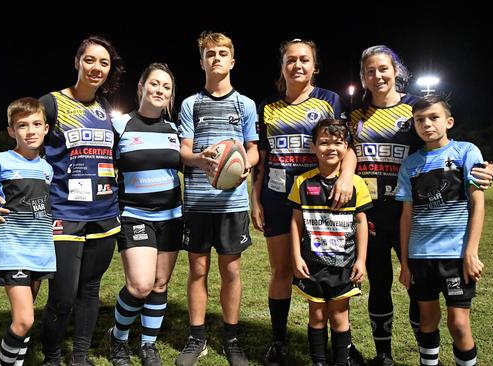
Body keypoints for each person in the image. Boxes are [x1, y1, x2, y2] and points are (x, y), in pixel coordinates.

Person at [346, 45, 493, 366]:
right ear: (363, 77)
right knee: (380, 283)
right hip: (370, 213)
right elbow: (346, 154)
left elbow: (442, 147)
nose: (377, 75)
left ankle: (425, 350)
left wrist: (485, 168)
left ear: (396, 71)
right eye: (370, 71)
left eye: (383, 68)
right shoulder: (354, 116)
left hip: (410, 215)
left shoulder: (415, 108)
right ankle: (383, 354)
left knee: (417, 288)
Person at [0, 35, 125, 366]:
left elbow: (119, 154)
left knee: (90, 291)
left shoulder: (107, 109)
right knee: (62, 297)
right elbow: (25, 144)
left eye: (104, 63)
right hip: (63, 214)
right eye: (90, 60)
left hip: (104, 214)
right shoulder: (51, 102)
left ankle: (79, 357)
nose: (96, 68)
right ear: (77, 61)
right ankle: (52, 358)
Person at [250, 38, 360, 366]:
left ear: (314, 66)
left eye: (304, 60)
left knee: (334, 269)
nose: (297, 65)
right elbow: (263, 161)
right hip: (277, 197)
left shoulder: (330, 101)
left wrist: (344, 178)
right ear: (282, 67)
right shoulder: (268, 106)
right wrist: (255, 200)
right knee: (282, 269)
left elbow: (348, 147)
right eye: (291, 60)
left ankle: (344, 343)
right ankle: (279, 341)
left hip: (322, 202)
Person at [175, 31, 259, 366]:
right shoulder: (190, 103)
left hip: (232, 203)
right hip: (197, 201)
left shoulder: (246, 104)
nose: (217, 58)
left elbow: (253, 151)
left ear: (233, 60)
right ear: (202, 61)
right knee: (197, 269)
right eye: (210, 54)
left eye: (223, 53)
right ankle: (197, 339)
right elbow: (184, 150)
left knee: (231, 269)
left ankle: (231, 338)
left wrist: (244, 168)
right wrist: (199, 158)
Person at [397, 95, 485, 366]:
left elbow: (478, 204)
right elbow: (407, 216)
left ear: (449, 121)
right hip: (420, 256)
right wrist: (404, 263)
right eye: (420, 120)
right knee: (427, 321)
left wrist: (471, 252)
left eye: (433, 118)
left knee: (459, 324)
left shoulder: (466, 152)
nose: (427, 124)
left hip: (456, 256)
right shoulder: (410, 164)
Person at [107, 63, 181, 366]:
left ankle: (148, 345)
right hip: (134, 215)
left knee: (160, 284)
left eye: (166, 86)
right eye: (154, 84)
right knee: (140, 285)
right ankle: (118, 338)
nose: (159, 90)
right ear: (141, 88)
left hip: (171, 216)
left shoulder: (174, 130)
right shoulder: (121, 125)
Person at [0, 97, 55, 366]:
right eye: (22, 125)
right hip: (13, 248)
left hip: (41, 250)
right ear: (11, 131)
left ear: (45, 128)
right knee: (24, 319)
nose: (30, 131)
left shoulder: (46, 169)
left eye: (36, 124)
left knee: (25, 318)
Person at [289, 118, 372, 366]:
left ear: (346, 147)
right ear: (313, 147)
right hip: (312, 264)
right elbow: (295, 223)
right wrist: (296, 256)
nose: (331, 148)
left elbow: (361, 223)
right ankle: (318, 362)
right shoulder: (302, 182)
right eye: (324, 143)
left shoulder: (355, 183)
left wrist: (361, 260)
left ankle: (341, 361)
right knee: (316, 316)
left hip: (343, 265)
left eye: (338, 143)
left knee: (339, 316)